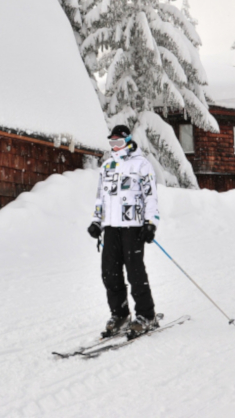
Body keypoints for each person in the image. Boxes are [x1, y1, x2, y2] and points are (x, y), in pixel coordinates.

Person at [87, 124, 160, 337]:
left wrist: (150, 223)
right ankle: (120, 314)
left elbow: (150, 196)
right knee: (110, 272)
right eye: (112, 143)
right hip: (111, 227)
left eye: (118, 142)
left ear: (128, 141)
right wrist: (96, 222)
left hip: (133, 227)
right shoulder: (107, 166)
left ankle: (147, 315)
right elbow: (101, 197)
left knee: (135, 272)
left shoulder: (141, 165)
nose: (115, 147)